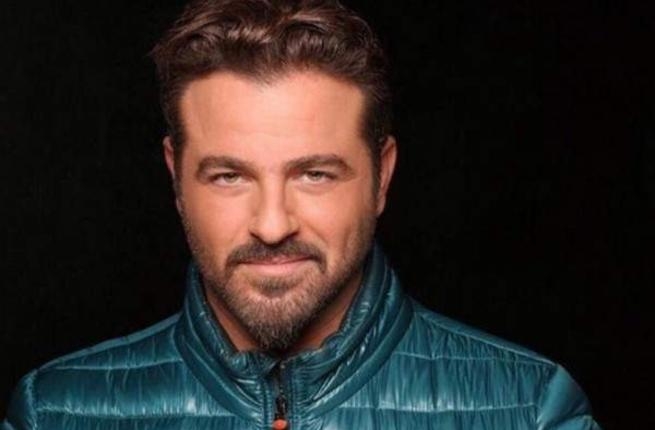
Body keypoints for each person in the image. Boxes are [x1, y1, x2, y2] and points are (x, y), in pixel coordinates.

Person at [3, 1, 601, 429]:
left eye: (314, 174)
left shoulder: (531, 409)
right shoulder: (55, 412)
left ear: (382, 176)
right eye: (229, 176)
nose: (272, 225)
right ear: (175, 177)